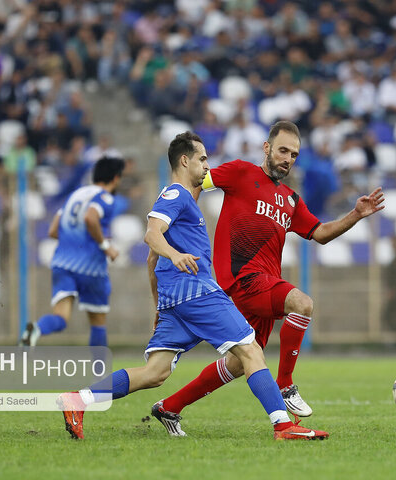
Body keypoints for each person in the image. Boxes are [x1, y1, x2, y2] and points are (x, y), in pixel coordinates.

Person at [57, 132, 328, 441]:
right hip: (197, 291)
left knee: (155, 373)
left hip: (175, 298)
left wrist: (159, 304)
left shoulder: (184, 200)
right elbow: (151, 235)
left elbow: (151, 260)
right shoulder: (177, 194)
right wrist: (176, 255)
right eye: (202, 159)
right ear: (185, 161)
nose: (206, 166)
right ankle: (283, 426)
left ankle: (78, 400)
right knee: (251, 351)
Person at [151, 121, 384, 435]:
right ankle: (285, 385)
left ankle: (170, 406)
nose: (288, 158)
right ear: (267, 148)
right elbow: (193, 182)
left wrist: (355, 215)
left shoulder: (290, 200)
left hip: (264, 285)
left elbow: (321, 233)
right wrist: (183, 220)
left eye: (294, 154)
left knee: (239, 363)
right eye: (283, 150)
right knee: (302, 303)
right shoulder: (240, 173)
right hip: (243, 279)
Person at [21, 156, 125, 347]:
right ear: (116, 178)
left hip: (62, 263)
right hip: (91, 267)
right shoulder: (106, 198)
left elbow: (53, 230)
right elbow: (91, 218)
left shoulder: (75, 195)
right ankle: (98, 374)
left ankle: (35, 329)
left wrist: (74, 240)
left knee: (61, 318)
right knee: (98, 323)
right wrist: (105, 246)